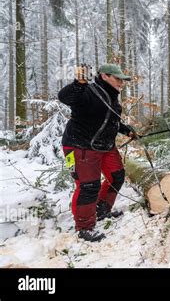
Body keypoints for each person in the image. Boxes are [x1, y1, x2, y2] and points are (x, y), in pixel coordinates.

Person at [58, 64, 137, 242]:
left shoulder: (112, 98)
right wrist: (78, 83)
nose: (121, 83)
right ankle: (84, 227)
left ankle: (102, 210)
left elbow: (110, 121)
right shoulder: (87, 91)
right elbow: (65, 97)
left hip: (105, 146)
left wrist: (127, 131)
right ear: (104, 76)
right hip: (78, 146)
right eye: (118, 79)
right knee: (88, 186)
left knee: (117, 176)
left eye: (123, 80)